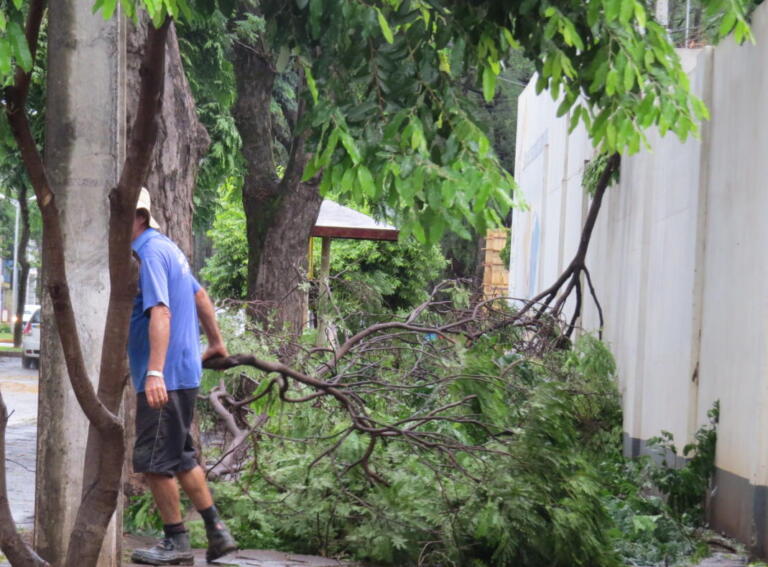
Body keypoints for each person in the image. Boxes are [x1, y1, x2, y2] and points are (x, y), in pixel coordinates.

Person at [128, 187, 237, 565]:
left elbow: (161, 311)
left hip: (166, 378)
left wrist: (154, 373)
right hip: (183, 373)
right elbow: (200, 297)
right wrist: (217, 343)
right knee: (181, 457)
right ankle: (217, 532)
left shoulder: (149, 253)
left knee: (154, 462)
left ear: (140, 217)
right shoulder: (168, 249)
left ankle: (176, 542)